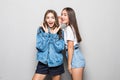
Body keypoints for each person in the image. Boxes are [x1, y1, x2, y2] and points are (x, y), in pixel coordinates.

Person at [32, 9, 65, 80]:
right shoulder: (40, 30)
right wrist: (46, 35)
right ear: (45, 19)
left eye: (52, 18)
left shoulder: (60, 31)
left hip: (56, 63)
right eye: (48, 17)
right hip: (43, 62)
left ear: (55, 19)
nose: (50, 20)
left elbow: (60, 48)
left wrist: (53, 36)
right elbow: (40, 47)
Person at [60, 7, 85, 80]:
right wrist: (61, 19)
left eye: (65, 15)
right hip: (75, 57)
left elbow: (70, 47)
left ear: (70, 16)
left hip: (75, 58)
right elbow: (59, 25)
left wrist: (69, 65)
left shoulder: (68, 29)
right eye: (61, 14)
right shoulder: (68, 27)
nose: (62, 16)